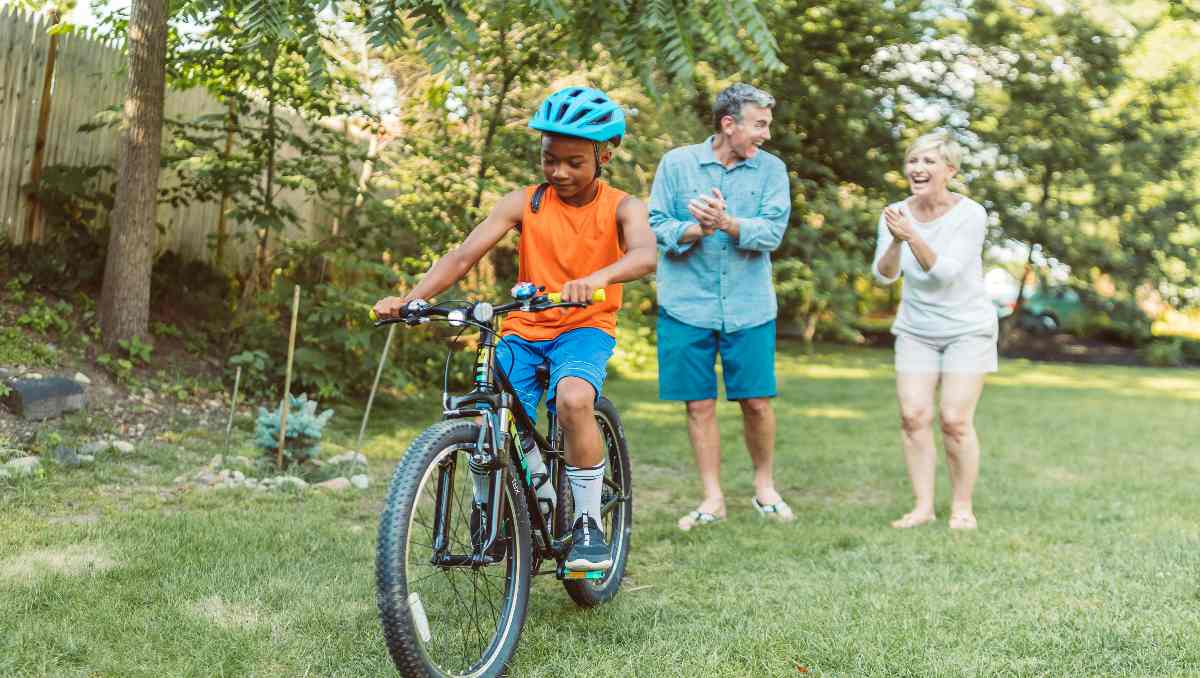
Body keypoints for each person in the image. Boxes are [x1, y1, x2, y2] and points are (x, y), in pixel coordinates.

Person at [373, 87, 657, 569]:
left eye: (574, 162)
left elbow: (645, 255)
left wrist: (598, 278)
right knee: (490, 410)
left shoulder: (623, 207)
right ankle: (493, 510)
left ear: (604, 155)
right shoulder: (524, 202)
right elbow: (463, 256)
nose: (559, 172)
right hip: (524, 329)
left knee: (572, 400)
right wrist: (414, 300)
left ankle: (588, 521)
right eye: (550, 159)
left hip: (583, 326)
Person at [648, 83, 793, 531]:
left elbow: (772, 233)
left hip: (750, 308)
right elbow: (656, 225)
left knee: (756, 403)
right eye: (760, 124)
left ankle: (764, 488)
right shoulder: (677, 164)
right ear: (729, 125)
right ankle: (712, 498)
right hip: (685, 305)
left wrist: (727, 223)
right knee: (698, 406)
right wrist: (698, 229)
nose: (767, 134)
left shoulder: (772, 171)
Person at [871, 130, 997, 531]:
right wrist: (895, 242)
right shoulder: (894, 212)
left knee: (955, 419)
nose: (917, 169)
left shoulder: (971, 214)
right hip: (916, 329)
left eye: (928, 162)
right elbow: (883, 276)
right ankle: (923, 506)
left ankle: (962, 507)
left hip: (967, 329)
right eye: (913, 161)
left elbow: (943, 274)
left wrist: (912, 236)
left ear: (950, 170)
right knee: (913, 415)